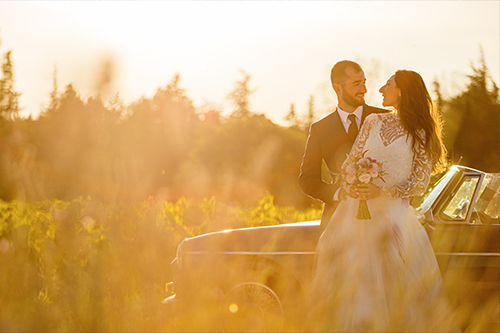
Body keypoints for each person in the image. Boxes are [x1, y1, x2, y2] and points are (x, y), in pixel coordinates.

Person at [307, 70, 459, 332]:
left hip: (396, 220)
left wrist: (381, 192)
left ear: (402, 91)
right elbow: (350, 162)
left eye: (388, 85)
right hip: (355, 217)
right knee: (355, 288)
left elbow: (419, 182)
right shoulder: (373, 121)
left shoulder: (422, 133)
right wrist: (356, 181)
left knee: (398, 290)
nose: (380, 90)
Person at [299, 60, 387, 233]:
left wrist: (382, 191)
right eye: (356, 84)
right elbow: (307, 180)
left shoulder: (384, 118)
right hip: (338, 222)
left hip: (383, 219)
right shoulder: (320, 130)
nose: (364, 90)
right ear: (338, 88)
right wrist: (338, 193)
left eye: (364, 82)